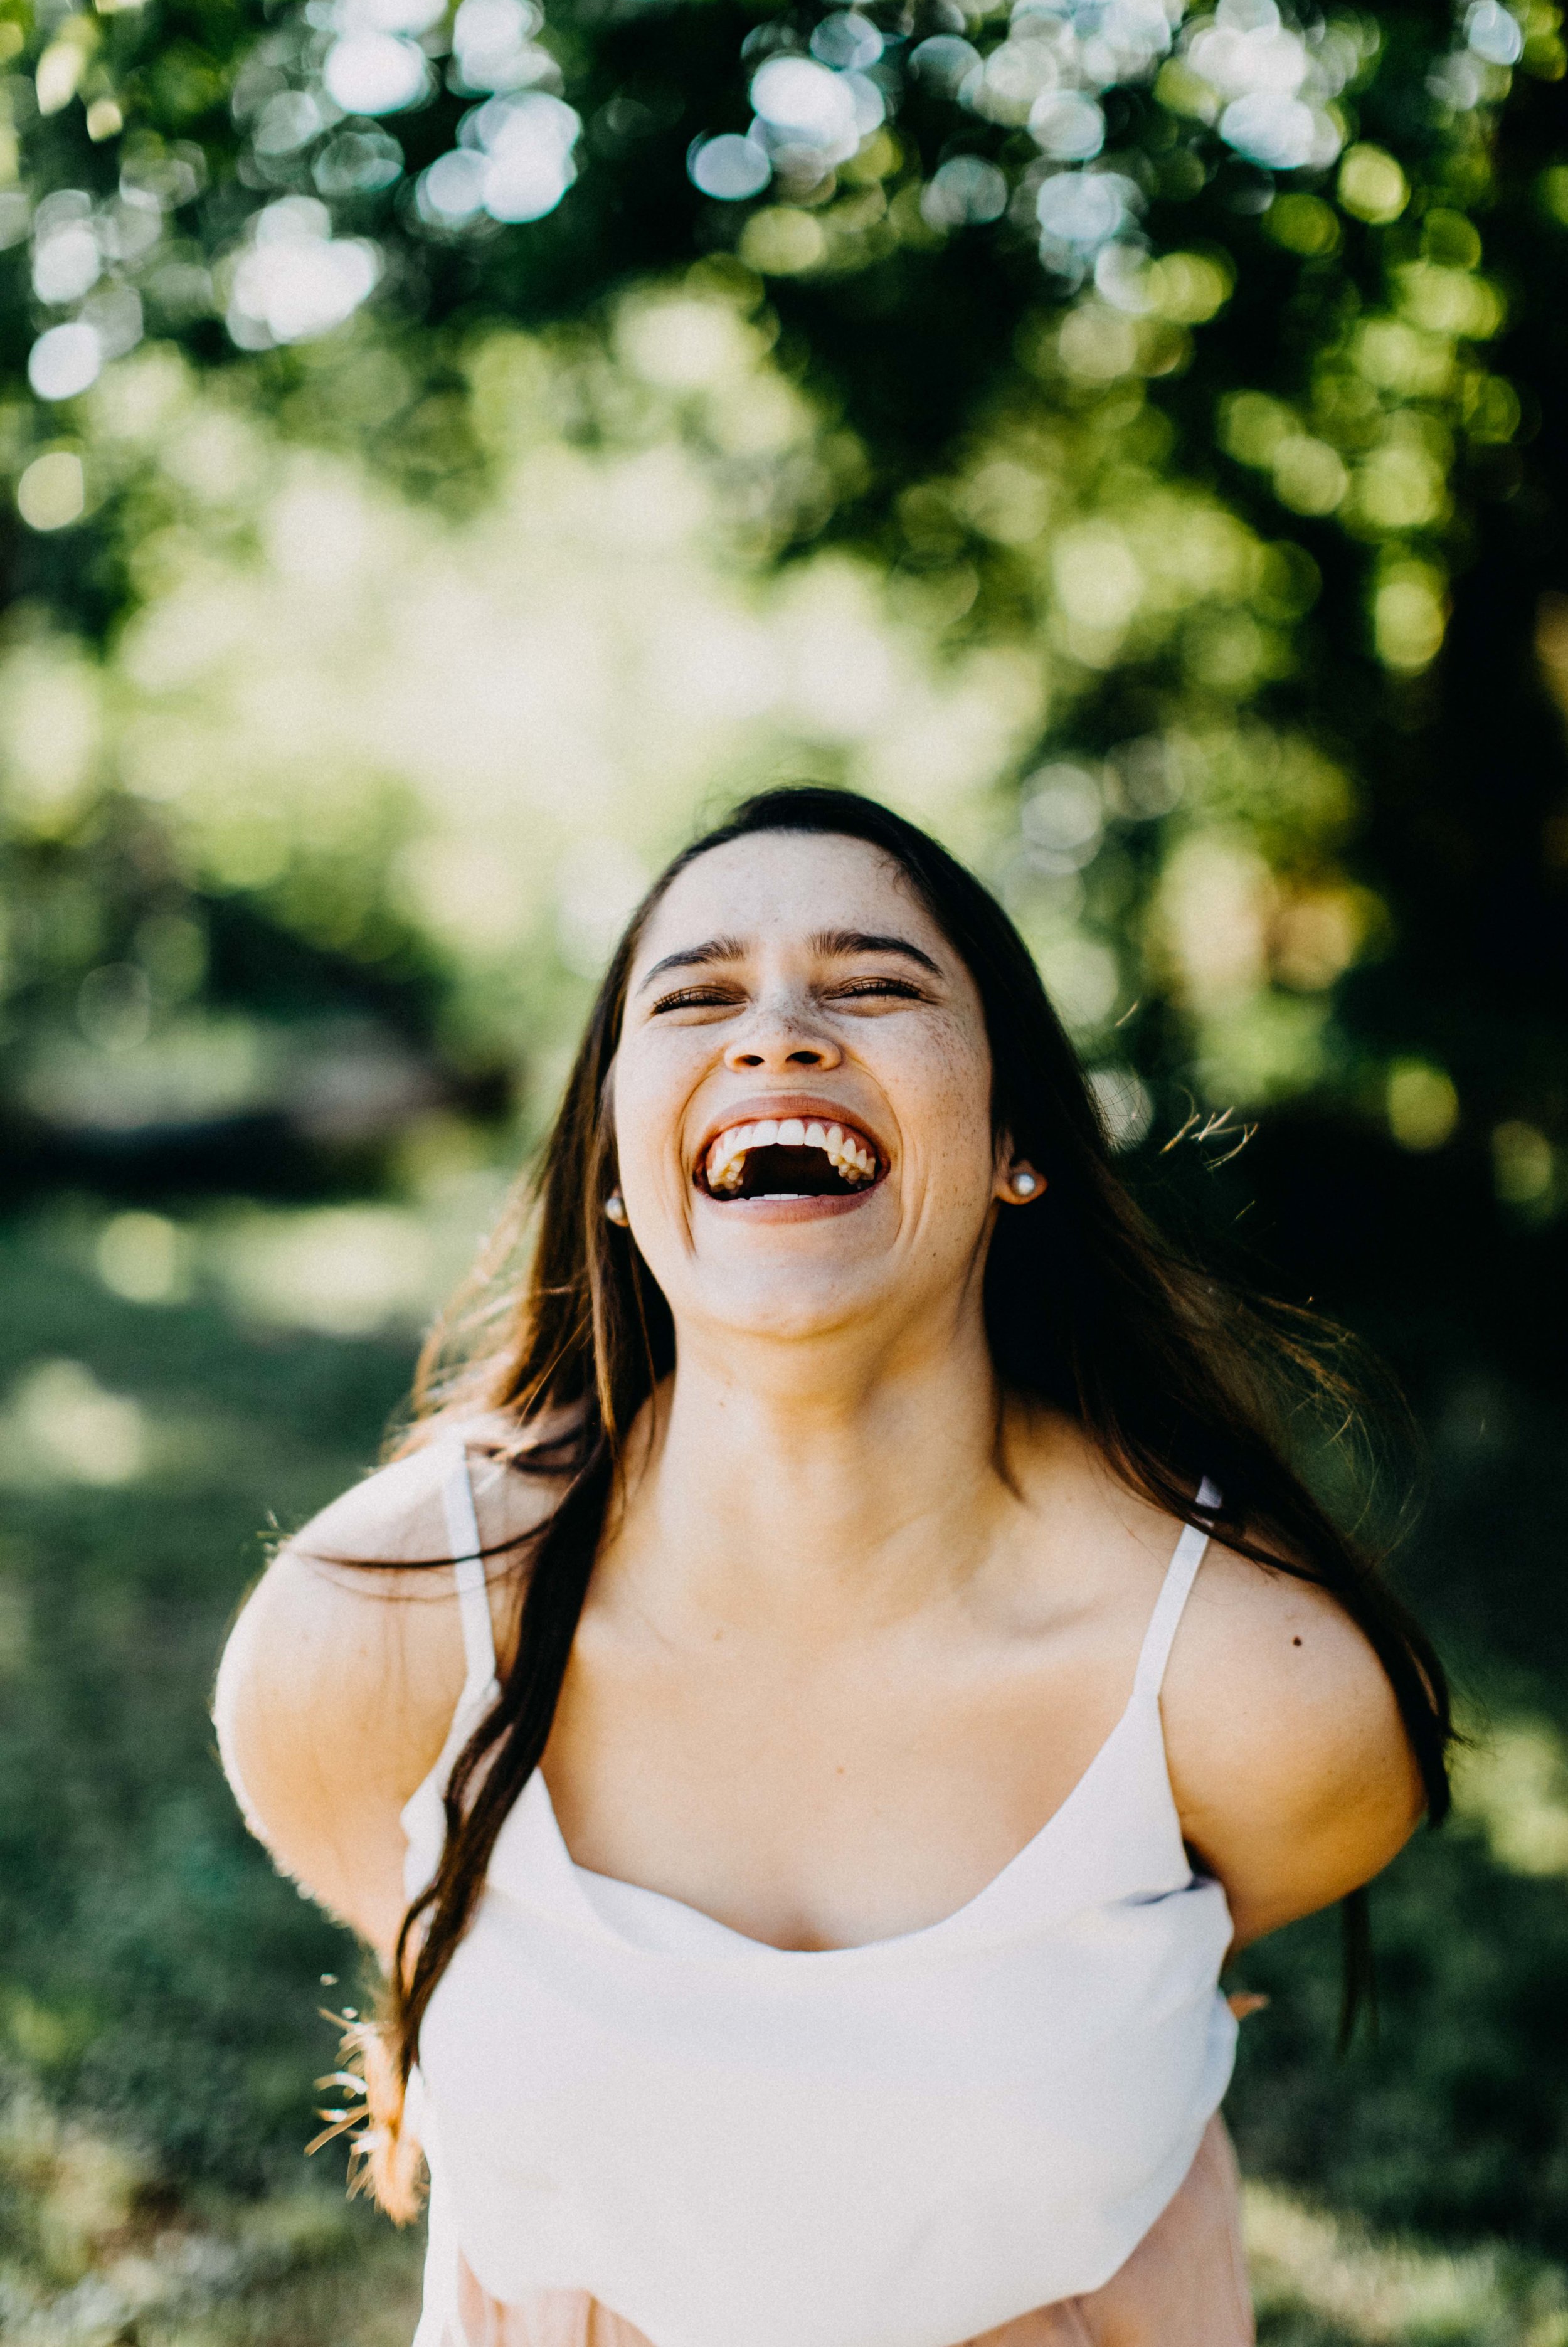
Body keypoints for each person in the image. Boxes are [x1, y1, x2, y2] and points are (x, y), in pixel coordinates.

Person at [215, 786, 1450, 2347]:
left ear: (1012, 1142)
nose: (780, 1034)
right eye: (696, 996)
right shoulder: (373, 1631)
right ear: (609, 1157)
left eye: (872, 985)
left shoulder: (1251, 1684)